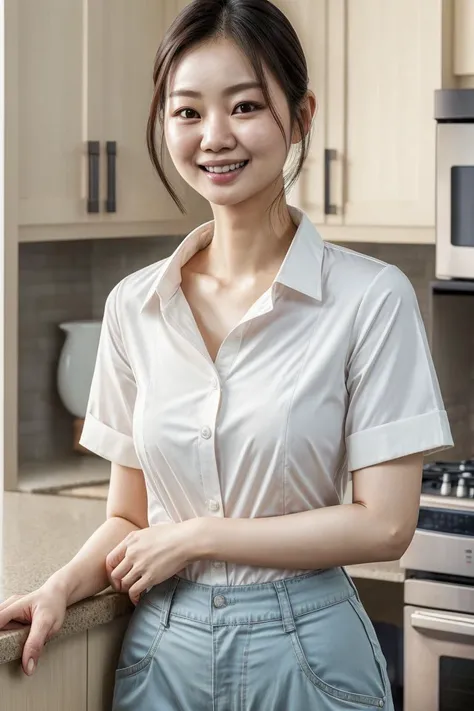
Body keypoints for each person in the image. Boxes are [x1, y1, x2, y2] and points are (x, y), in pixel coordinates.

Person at [0, 1, 453, 709]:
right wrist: (58, 587)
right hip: (163, 654)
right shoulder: (133, 306)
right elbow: (127, 517)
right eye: (187, 112)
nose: (214, 137)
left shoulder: (370, 298)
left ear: (300, 116)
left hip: (308, 652)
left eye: (244, 105)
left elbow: (386, 524)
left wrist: (196, 536)